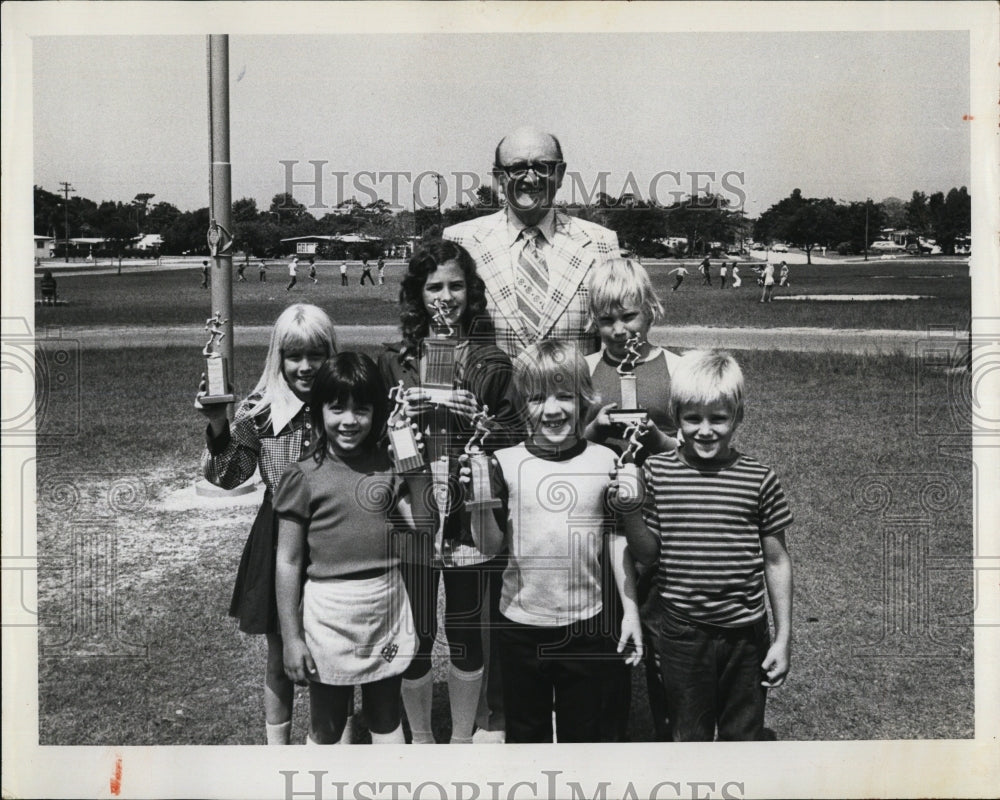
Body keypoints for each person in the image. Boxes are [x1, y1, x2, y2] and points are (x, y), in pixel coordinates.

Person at [378, 239, 524, 745]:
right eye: (434, 286)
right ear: (418, 295)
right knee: (415, 633)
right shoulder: (396, 360)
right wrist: (400, 423)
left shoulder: (492, 360)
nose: (446, 296)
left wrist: (479, 421)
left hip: (471, 513)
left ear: (472, 291)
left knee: (465, 631)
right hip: (412, 513)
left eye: (455, 285)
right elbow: (370, 438)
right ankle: (420, 737)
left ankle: (462, 737)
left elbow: (516, 434)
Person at [464, 340, 643, 743]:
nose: (552, 409)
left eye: (564, 396)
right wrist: (478, 502)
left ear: (583, 399)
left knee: (585, 736)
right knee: (527, 737)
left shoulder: (605, 461)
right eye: (538, 398)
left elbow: (616, 543)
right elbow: (490, 547)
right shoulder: (504, 463)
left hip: (587, 626)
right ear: (523, 403)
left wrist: (630, 611)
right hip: (521, 628)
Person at [616, 349, 793, 742]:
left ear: (738, 417)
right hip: (682, 631)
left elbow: (777, 561)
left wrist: (782, 639)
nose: (705, 430)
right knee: (687, 738)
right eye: (693, 418)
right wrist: (629, 512)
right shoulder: (657, 472)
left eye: (719, 418)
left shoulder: (759, 478)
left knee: (741, 738)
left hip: (746, 635)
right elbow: (648, 555)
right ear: (677, 417)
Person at [196, 304, 338, 745]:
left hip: (334, 534)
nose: (305, 366)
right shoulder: (260, 410)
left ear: (330, 353)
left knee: (331, 651)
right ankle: (276, 753)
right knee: (280, 651)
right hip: (279, 537)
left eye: (316, 354)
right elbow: (228, 476)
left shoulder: (344, 401)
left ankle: (331, 746)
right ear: (278, 356)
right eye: (294, 356)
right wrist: (219, 424)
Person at [274, 353, 429, 745]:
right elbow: (288, 561)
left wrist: (415, 472)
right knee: (326, 723)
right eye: (336, 407)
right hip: (330, 615)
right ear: (318, 410)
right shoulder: (302, 476)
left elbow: (426, 526)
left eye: (361, 409)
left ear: (377, 412)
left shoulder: (389, 467)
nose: (349, 420)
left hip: (384, 606)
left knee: (385, 714)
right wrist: (292, 639)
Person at [582, 257, 680, 741]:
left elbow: (702, 450)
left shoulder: (679, 369)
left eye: (629, 316)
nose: (619, 330)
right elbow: (559, 450)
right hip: (601, 533)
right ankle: (607, 743)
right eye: (607, 320)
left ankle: (671, 736)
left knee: (666, 646)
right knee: (606, 648)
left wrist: (661, 441)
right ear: (593, 322)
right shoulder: (583, 372)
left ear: (652, 311)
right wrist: (593, 429)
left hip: (666, 530)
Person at [444, 126, 620, 358]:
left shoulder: (600, 243)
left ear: (560, 174)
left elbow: (616, 345)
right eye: (517, 168)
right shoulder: (460, 241)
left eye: (543, 167)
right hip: (485, 394)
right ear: (498, 177)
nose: (530, 178)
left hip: (573, 393)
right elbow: (443, 337)